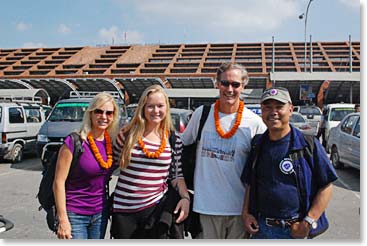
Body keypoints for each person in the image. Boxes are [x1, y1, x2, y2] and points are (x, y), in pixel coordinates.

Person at [181, 62, 267, 239]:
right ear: (217, 84)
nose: (230, 89)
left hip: (240, 211)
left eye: (235, 84)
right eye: (225, 83)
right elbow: (179, 145)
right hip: (205, 207)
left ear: (243, 86)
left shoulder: (255, 123)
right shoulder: (202, 114)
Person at [241, 87, 338, 239]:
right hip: (261, 229)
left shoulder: (308, 144)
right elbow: (250, 183)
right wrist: (246, 213)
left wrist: (307, 222)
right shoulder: (257, 144)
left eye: (279, 107)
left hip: (293, 231)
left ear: (291, 109)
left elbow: (327, 186)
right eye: (267, 107)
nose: (273, 112)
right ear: (261, 111)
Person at [110, 85, 190, 239]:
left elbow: (177, 176)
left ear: (166, 107)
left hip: (156, 209)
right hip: (124, 212)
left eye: (160, 106)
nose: (155, 111)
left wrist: (186, 198)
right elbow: (109, 167)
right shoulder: (126, 135)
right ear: (143, 108)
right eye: (150, 106)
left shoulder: (174, 140)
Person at [53, 92, 120, 239]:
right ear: (90, 113)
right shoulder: (74, 141)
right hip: (75, 214)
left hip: (100, 214)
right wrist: (63, 219)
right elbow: (58, 182)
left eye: (109, 113)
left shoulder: (112, 143)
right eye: (99, 111)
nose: (104, 116)